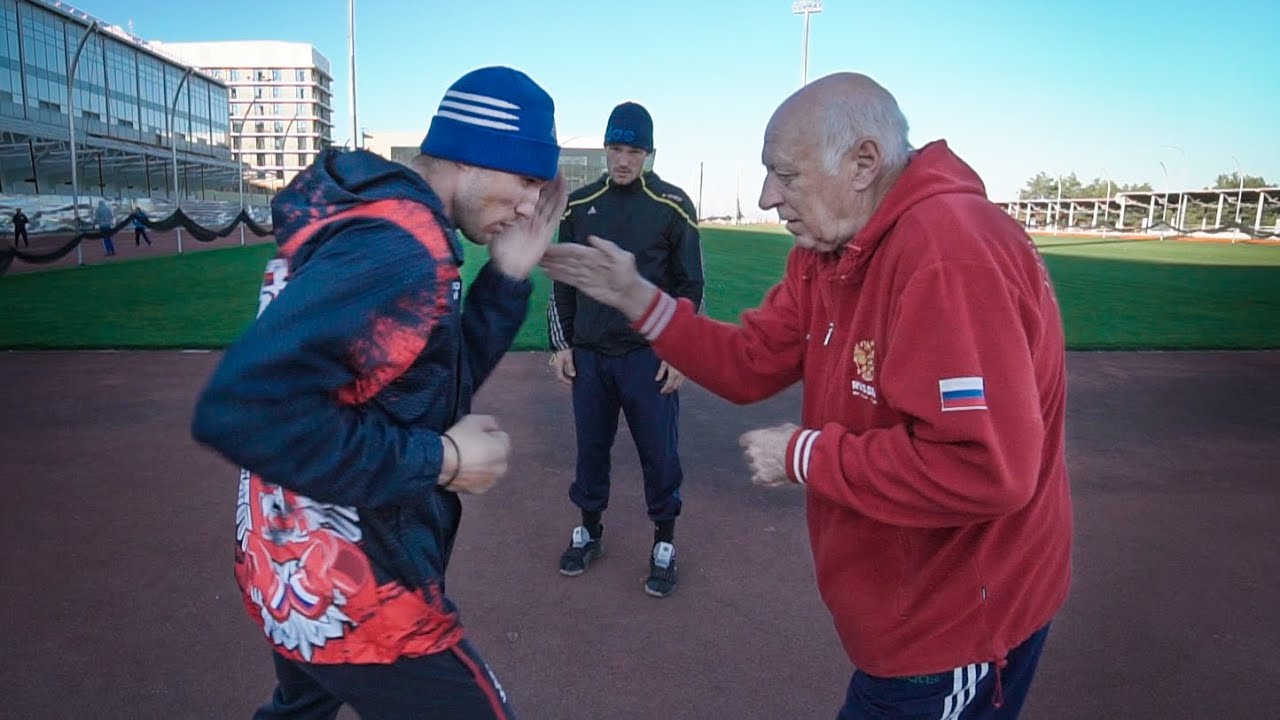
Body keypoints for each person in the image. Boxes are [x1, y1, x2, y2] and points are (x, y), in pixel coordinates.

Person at [541, 72, 1072, 719]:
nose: (767, 197)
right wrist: (636, 298)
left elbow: (986, 467)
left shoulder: (948, 252)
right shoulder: (829, 252)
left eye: (785, 175)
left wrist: (806, 455)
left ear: (863, 163)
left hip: (955, 627)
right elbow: (749, 362)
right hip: (898, 615)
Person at [191, 66, 566, 720]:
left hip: (292, 559)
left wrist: (505, 281)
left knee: (301, 706)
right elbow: (241, 410)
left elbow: (416, 386)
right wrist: (441, 461)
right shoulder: (400, 246)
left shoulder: (374, 218)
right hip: (357, 585)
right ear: (469, 155)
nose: (532, 206)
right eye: (527, 181)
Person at [547, 101, 703, 598]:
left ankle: (664, 542)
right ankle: (589, 530)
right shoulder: (578, 204)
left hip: (647, 358)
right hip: (591, 356)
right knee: (591, 449)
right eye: (615, 148)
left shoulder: (673, 206)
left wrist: (679, 351)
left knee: (659, 454)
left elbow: (690, 286)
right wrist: (563, 343)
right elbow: (563, 279)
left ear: (649, 154)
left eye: (633, 151)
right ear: (605, 149)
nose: (622, 160)